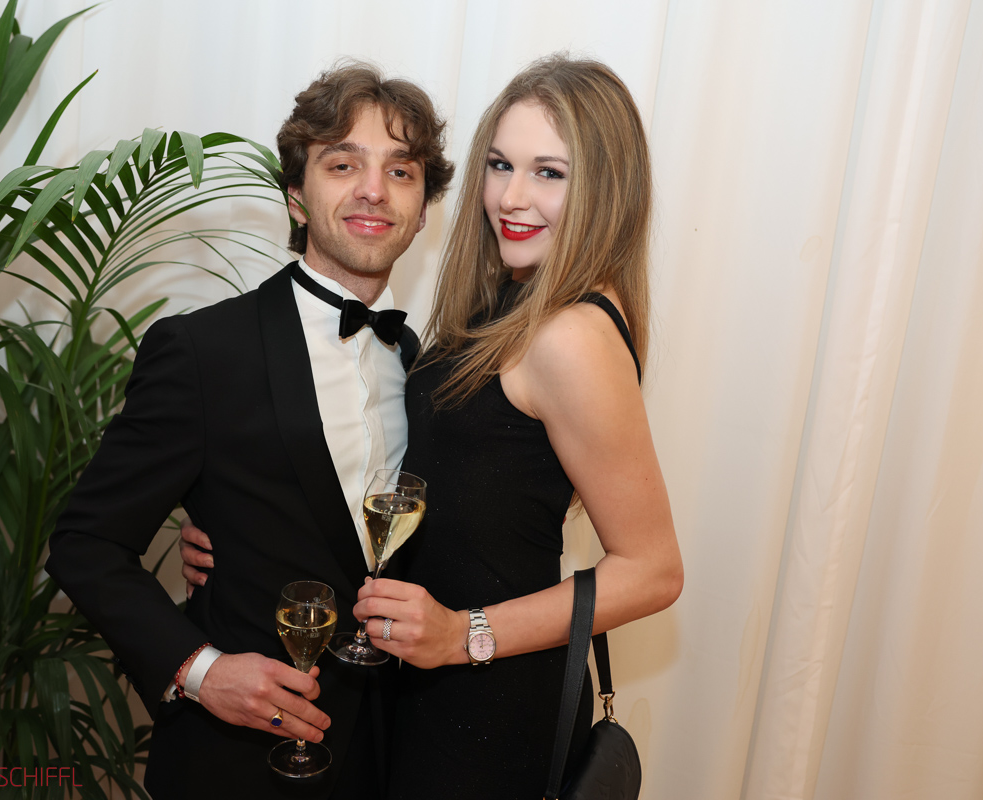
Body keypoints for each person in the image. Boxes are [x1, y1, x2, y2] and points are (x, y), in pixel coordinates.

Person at [183, 55, 683, 797]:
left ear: (605, 189)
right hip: (428, 690)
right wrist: (243, 524)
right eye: (500, 165)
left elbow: (653, 570)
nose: (512, 197)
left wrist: (463, 636)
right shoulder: (515, 304)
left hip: (490, 706)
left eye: (550, 173)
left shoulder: (572, 335)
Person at [45, 62, 454, 800]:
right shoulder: (203, 350)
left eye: (401, 171)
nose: (373, 190)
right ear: (296, 195)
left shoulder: (418, 363)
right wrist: (200, 672)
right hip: (236, 761)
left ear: (422, 209)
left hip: (383, 754)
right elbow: (85, 541)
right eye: (343, 164)